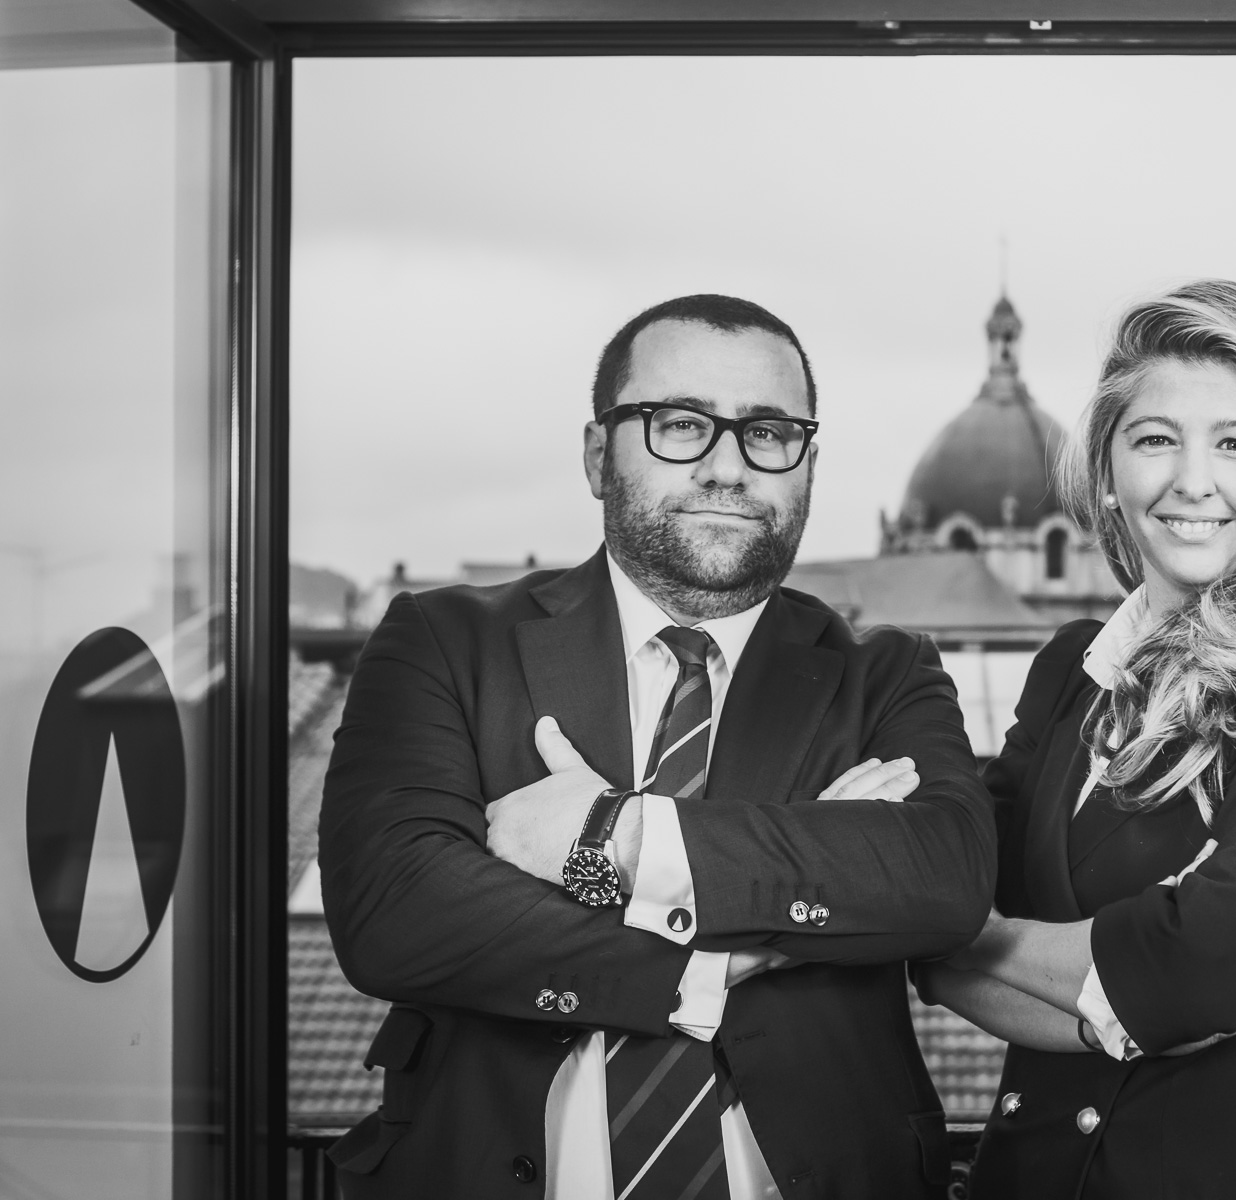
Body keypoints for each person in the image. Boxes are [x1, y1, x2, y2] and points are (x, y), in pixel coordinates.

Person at [319, 294, 994, 1200]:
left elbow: (941, 880)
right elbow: (397, 914)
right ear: (598, 454)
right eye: (680, 424)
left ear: (808, 464)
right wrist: (725, 957)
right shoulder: (444, 643)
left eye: (768, 432)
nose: (728, 466)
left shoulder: (887, 672)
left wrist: (614, 836)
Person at [914, 280, 1236, 1199]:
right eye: (1156, 439)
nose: (1194, 481)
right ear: (1106, 470)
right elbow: (937, 902)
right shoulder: (1070, 669)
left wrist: (973, 938)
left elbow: (1196, 969)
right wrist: (1111, 1004)